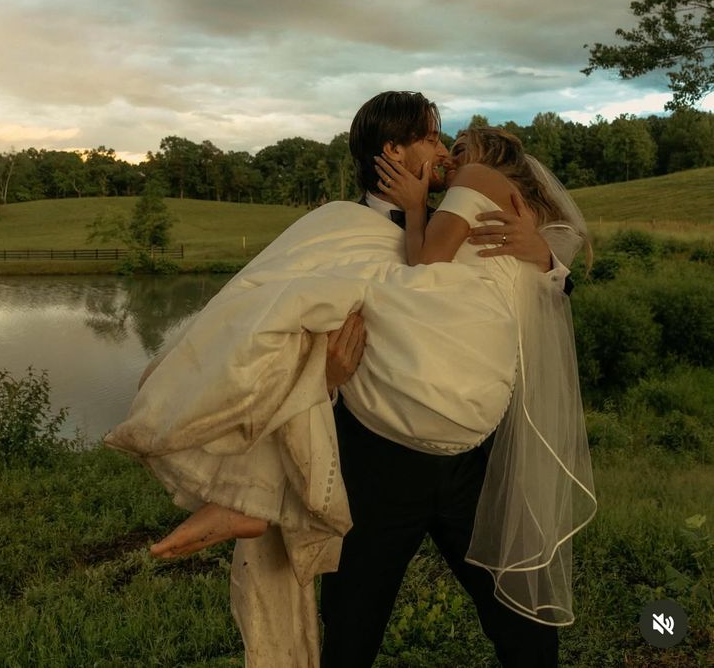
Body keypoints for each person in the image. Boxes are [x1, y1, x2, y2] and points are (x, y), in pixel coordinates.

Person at [104, 92, 594, 667]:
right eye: (432, 138)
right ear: (393, 150)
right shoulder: (332, 227)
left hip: (473, 464)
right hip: (374, 465)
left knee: (524, 627)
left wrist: (545, 260)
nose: (443, 151)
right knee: (352, 628)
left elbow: (540, 297)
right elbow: (272, 317)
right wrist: (328, 376)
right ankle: (244, 496)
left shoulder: (452, 223)